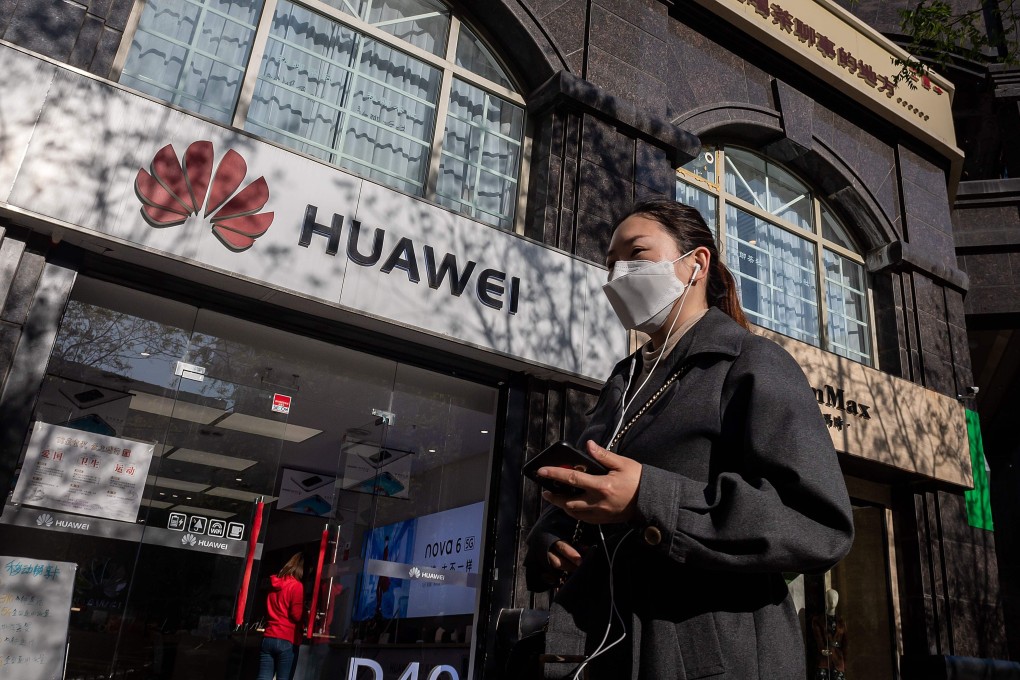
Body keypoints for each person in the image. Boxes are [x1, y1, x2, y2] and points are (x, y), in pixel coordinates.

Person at [524, 197, 855, 679]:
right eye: (611, 262)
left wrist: (649, 497)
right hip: (607, 649)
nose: (618, 273)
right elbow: (600, 493)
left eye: (637, 254)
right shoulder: (622, 384)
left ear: (696, 263)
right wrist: (551, 536)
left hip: (711, 658)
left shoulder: (752, 363)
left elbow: (818, 524)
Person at [257, 552, 305, 680]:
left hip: (269, 636)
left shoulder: (274, 585)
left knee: (263, 677)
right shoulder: (297, 586)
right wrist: (307, 614)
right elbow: (296, 615)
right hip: (286, 638)